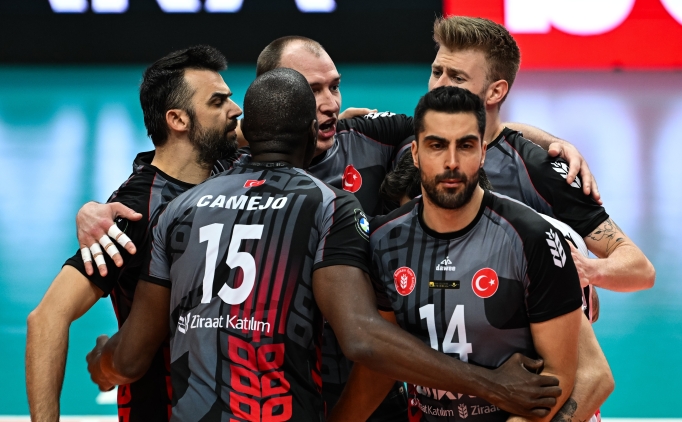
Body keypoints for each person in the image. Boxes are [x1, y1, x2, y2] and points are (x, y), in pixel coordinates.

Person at [85, 68, 568, 421]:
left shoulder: (180, 209)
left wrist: (105, 359)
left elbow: (129, 360)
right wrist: (493, 386)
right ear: (308, 133)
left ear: (246, 133)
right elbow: (361, 338)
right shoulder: (329, 205)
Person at [333, 86, 584, 422]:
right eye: (437, 145)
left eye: (465, 146)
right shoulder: (383, 240)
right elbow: (382, 362)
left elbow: (557, 377)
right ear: (416, 153)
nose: (451, 162)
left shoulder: (532, 238)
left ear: (482, 153)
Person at [25, 45, 243, 422]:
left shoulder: (228, 163)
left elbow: (274, 124)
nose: (235, 109)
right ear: (178, 119)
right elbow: (46, 319)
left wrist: (345, 121)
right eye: (218, 101)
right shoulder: (133, 211)